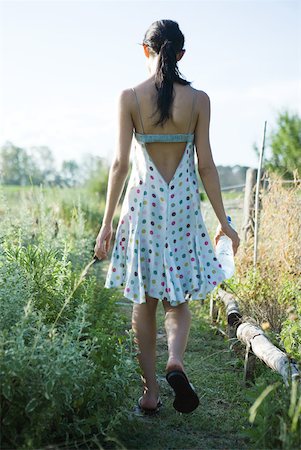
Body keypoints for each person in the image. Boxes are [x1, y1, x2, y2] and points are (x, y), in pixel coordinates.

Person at [94, 19, 240, 415]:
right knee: (178, 300)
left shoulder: (128, 97)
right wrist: (224, 223)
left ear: (146, 50)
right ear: (180, 54)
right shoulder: (199, 100)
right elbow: (206, 166)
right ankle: (175, 360)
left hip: (143, 206)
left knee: (144, 302)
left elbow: (120, 165)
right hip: (182, 208)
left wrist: (106, 224)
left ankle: (151, 393)